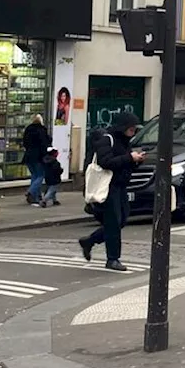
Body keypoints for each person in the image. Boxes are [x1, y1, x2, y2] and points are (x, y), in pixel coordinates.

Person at [78, 112, 143, 271]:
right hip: (107, 186)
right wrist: (129, 158)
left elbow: (123, 163)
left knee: (121, 220)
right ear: (123, 127)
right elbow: (105, 162)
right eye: (131, 128)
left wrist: (136, 161)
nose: (133, 131)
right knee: (114, 222)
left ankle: (90, 241)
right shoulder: (107, 139)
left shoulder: (125, 141)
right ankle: (112, 259)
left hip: (120, 185)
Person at [23, 114, 52, 206]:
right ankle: (31, 192)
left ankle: (35, 196)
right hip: (38, 157)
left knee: (34, 175)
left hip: (28, 156)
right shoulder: (42, 130)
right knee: (40, 175)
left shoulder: (28, 129)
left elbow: (25, 143)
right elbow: (44, 144)